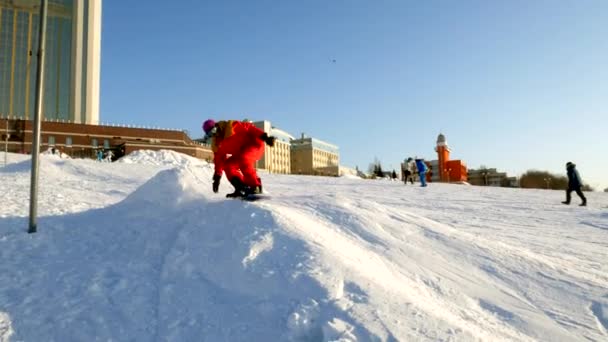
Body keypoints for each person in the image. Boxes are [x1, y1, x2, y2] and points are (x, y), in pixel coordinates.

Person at [202, 119, 276, 198]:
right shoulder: (217, 144)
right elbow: (219, 159)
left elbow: (250, 128)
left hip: (254, 144)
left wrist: (264, 137)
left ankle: (255, 186)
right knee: (228, 165)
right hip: (241, 151)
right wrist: (217, 176)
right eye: (210, 134)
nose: (214, 134)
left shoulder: (231, 126)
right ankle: (241, 188)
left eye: (213, 131)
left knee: (244, 158)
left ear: (216, 126)